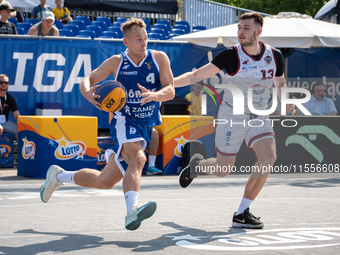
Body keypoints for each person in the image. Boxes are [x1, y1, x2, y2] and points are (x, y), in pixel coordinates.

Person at [39, 18, 175, 230]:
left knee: (105, 181)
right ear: (126, 42)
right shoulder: (116, 62)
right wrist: (87, 93)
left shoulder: (159, 59)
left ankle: (59, 176)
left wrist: (155, 95)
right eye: (138, 39)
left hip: (146, 126)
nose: (143, 43)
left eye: (145, 38)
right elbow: (88, 79)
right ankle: (132, 211)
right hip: (124, 120)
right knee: (138, 158)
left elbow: (171, 90)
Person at [175, 12, 294, 229]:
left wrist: (285, 101)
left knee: (269, 157)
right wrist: (168, 85)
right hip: (232, 116)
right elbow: (198, 74)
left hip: (259, 114)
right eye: (239, 28)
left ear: (259, 31)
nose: (240, 31)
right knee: (223, 169)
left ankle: (241, 213)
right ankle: (197, 166)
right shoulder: (230, 55)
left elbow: (280, 83)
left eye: (246, 28)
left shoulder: (274, 55)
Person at [0, 74, 20, 140]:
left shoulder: (10, 99)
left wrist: (21, 125)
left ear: (8, 84)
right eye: (1, 82)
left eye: (6, 83)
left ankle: (16, 150)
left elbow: (17, 115)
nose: (3, 84)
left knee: (20, 132)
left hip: (6, 122)